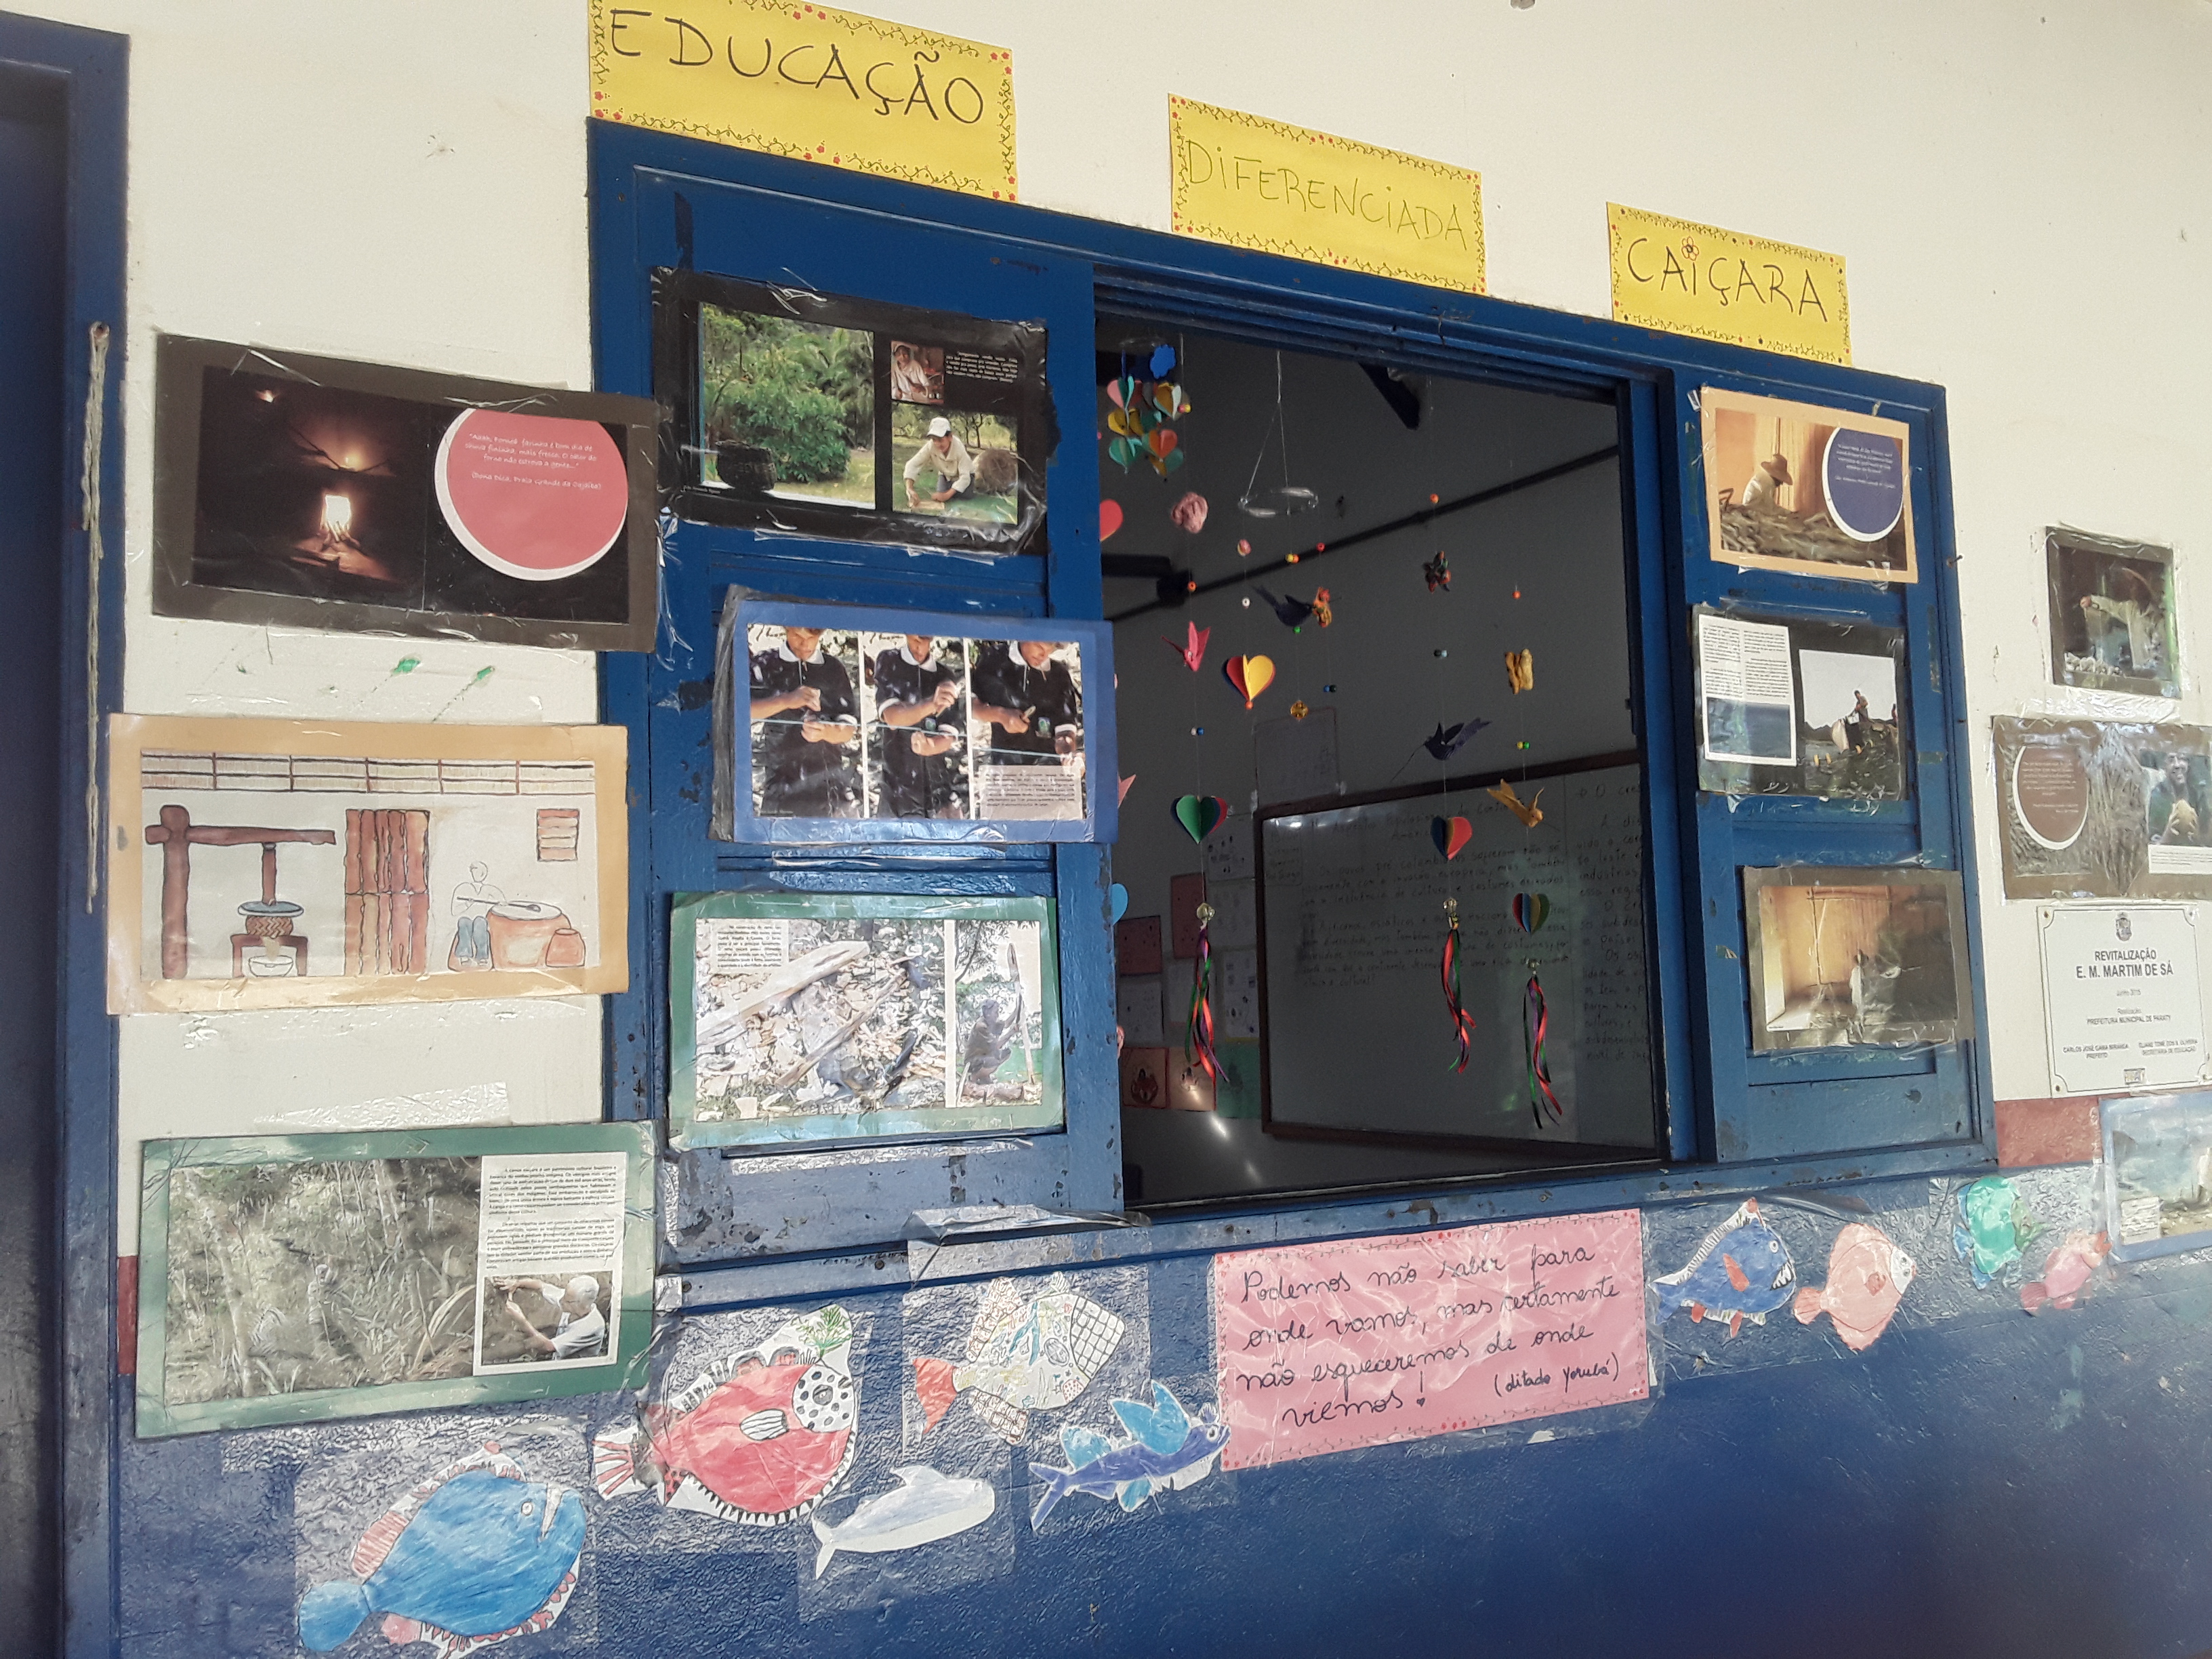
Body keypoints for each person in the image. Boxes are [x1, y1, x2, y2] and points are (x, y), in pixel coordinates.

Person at [748, 626, 860, 817]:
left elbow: (849, 728)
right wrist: (786, 700)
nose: (804, 644)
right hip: (781, 787)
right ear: (786, 630)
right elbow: (745, 710)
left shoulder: (833, 667)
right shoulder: (765, 663)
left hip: (830, 791)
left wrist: (826, 731)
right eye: (798, 636)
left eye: (812, 638)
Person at [970, 640, 1084, 813]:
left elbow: (1065, 730)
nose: (1043, 656)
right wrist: (1001, 716)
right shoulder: (994, 659)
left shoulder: (1058, 673)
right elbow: (971, 707)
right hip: (1006, 780)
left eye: (1050, 651)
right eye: (1040, 647)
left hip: (1049, 784)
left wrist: (1069, 756)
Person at [870, 634, 966, 818]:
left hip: (937, 790)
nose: (920, 648)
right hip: (897, 791)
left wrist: (930, 747)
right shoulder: (889, 660)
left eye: (926, 640)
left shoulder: (945, 675)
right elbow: (892, 717)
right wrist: (932, 704)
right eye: (916, 640)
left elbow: (948, 735)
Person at [500, 1274, 608, 1361]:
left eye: (567, 1301)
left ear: (583, 1305)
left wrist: (520, 1320)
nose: (561, 1301)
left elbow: (548, 1347)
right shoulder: (571, 1299)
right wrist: (517, 1283)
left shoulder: (592, 1326)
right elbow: (541, 1286)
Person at [2081, 586, 2166, 678]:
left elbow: (2161, 656)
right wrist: (2092, 600)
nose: (2132, 591)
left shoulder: (2157, 618)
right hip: (2139, 676)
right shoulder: (2131, 609)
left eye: (2136, 587)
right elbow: (2112, 607)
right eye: (2132, 587)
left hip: (2156, 678)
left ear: (2145, 591)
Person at [903, 415, 973, 510]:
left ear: (950, 437)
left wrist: (947, 495)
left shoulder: (959, 448)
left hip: (965, 475)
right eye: (934, 440)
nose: (937, 444)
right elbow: (912, 464)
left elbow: (965, 478)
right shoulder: (930, 446)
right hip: (945, 475)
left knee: (964, 497)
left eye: (940, 440)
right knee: (940, 498)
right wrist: (910, 489)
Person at [449, 861, 502, 969]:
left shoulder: (488, 889)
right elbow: (454, 911)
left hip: (480, 919)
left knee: (480, 922)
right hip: (466, 919)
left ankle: (482, 956)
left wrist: (500, 902)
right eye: (475, 872)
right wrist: (467, 904)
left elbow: (501, 899)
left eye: (481, 873)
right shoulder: (463, 888)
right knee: (464, 922)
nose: (478, 875)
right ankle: (464, 954)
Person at [2149, 750, 2207, 845]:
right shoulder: (2158, 795)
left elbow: (2206, 838)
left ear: (2188, 764)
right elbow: (2151, 843)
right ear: (2165, 767)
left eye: (2182, 759)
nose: (2177, 765)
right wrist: (2167, 835)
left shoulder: (2198, 796)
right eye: (2171, 760)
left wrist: (2196, 837)